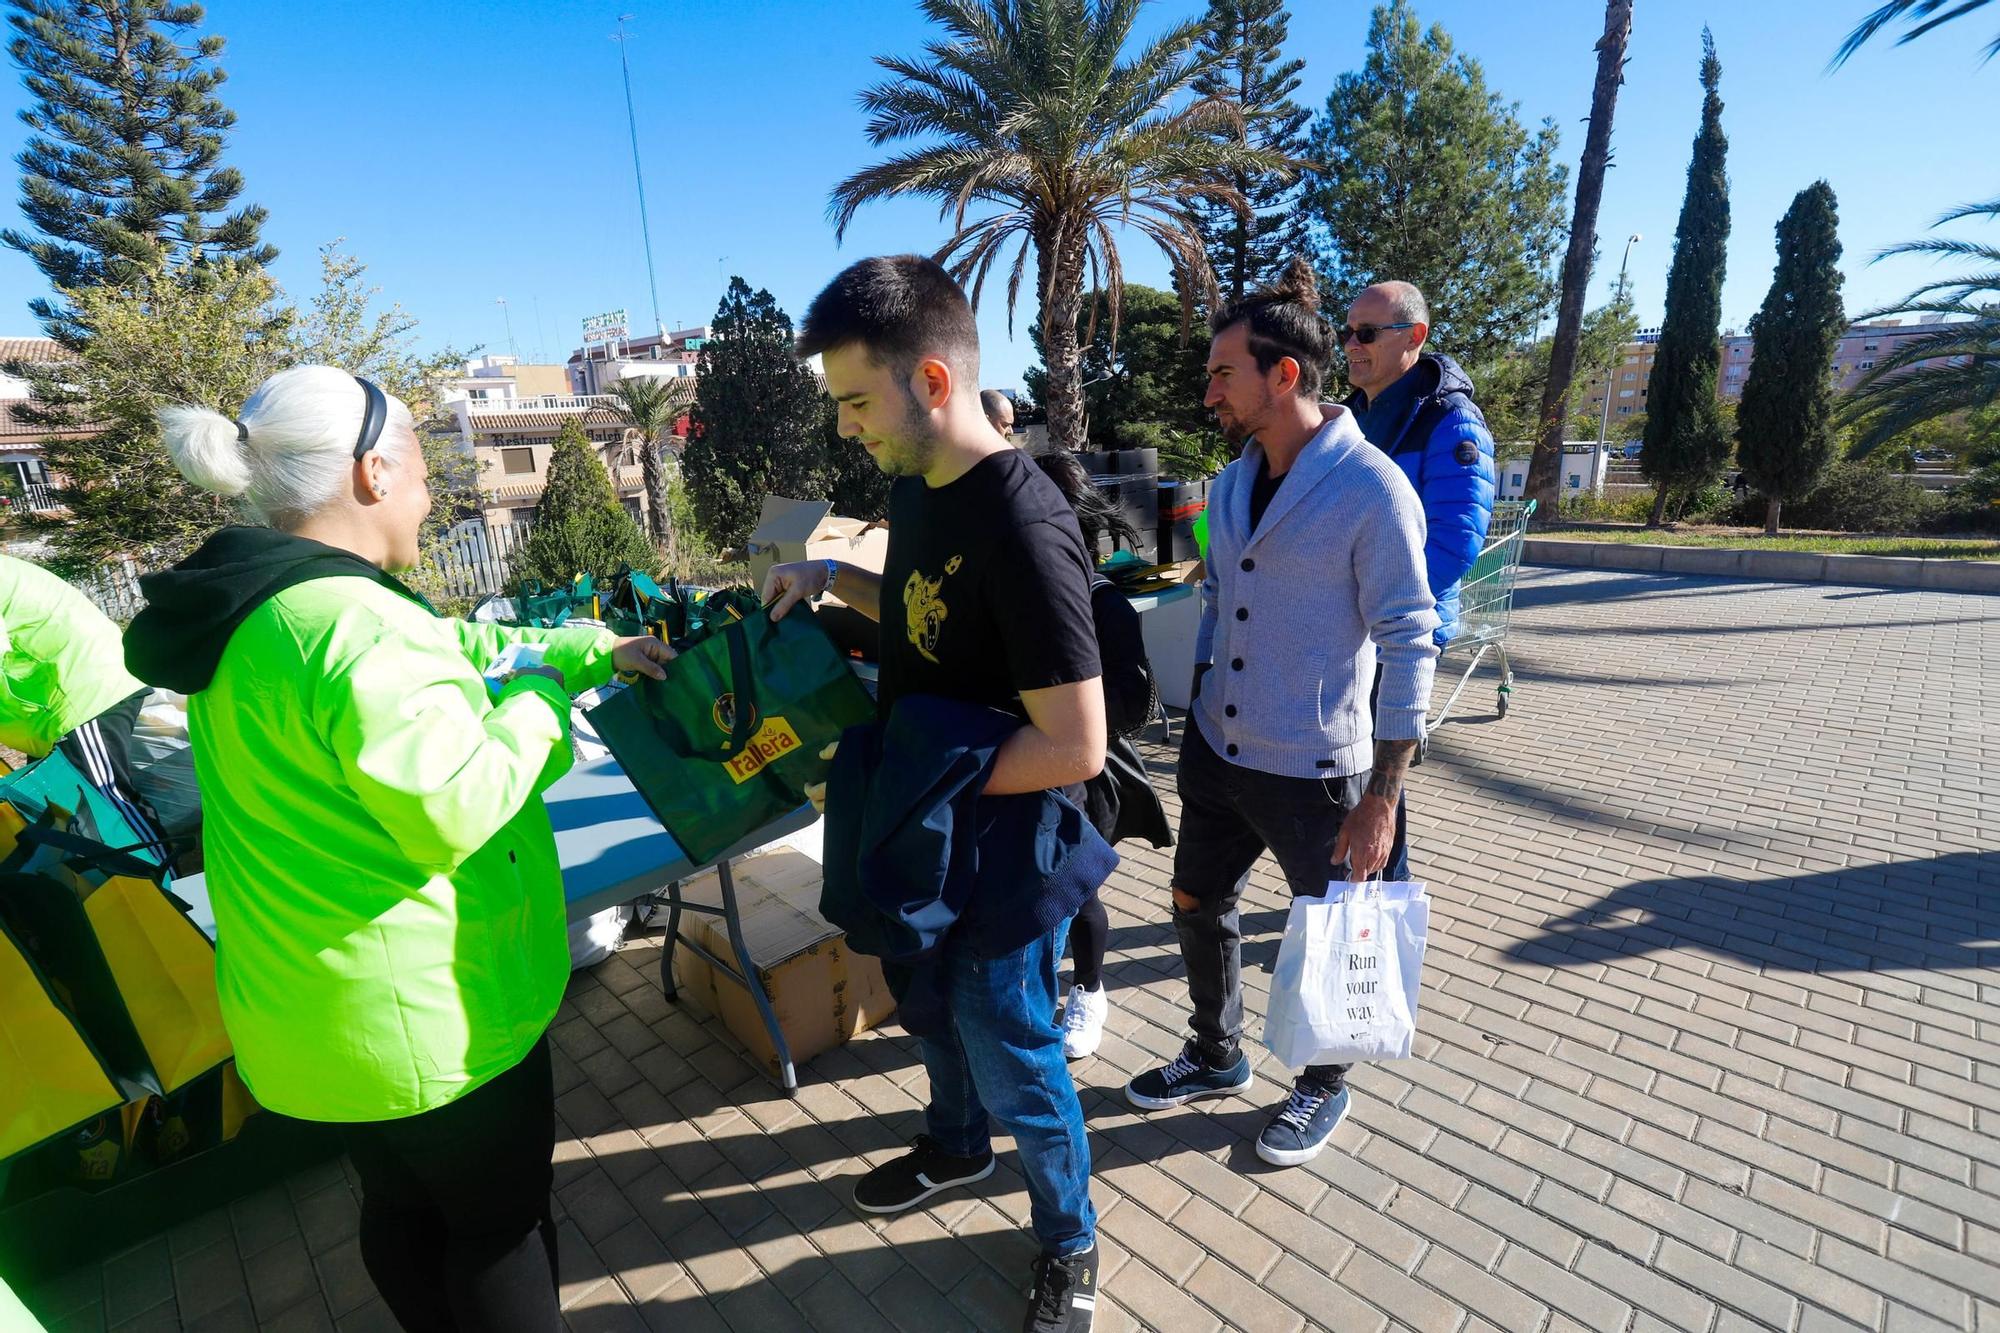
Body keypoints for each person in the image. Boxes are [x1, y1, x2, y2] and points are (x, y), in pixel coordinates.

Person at [123, 365, 674, 1332]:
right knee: (499, 1228)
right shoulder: (354, 622)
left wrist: (584, 646)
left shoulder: (263, 609)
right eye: (423, 471)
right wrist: (545, 700)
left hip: (315, 1023)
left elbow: (449, 647)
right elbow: (458, 802)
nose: (430, 496)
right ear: (374, 472)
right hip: (430, 1026)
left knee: (402, 1208)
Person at [765, 256, 1106, 1333]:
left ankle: (1070, 1237)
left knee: (1010, 1041)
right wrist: (830, 578)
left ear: (932, 383)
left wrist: (925, 781)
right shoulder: (917, 487)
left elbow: (1076, 746)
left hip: (1002, 848)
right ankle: (955, 1147)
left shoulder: (1026, 524)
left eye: (857, 402)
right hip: (926, 834)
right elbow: (921, 604)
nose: (846, 428)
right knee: (928, 1007)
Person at [1123, 260, 1439, 1168]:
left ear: (1284, 375)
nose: (1209, 389)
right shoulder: (1228, 483)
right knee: (1195, 897)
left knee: (1334, 936)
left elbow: (1413, 639)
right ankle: (1216, 1052)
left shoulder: (1371, 489)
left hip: (1321, 769)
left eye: (1225, 372)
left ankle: (1322, 1082)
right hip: (1221, 751)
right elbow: (1224, 591)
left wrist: (1383, 793)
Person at [1339, 280, 1497, 879]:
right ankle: (1348, 887)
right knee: (1346, 775)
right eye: (1347, 331)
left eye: (1368, 333)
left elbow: (1455, 543)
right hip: (1349, 629)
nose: (1352, 345)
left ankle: (1379, 902)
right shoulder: (1352, 416)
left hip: (1398, 634)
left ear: (1415, 338)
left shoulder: (1451, 422)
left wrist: (1371, 604)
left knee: (1380, 788)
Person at [1031, 449, 1171, 1059]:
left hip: (1083, 772)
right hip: (1024, 766)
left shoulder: (1100, 599)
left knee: (1077, 888)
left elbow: (1134, 702)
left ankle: (1089, 989)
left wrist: (1067, 719)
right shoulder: (1021, 587)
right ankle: (1035, 994)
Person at [0, 552, 171, 861]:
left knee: (106, 800)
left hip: (77, 693)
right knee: (59, 808)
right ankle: (118, 890)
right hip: (51, 707)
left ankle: (166, 885)